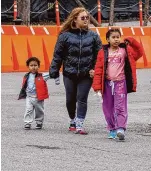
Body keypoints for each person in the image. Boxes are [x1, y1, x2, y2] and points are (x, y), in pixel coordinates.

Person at [49, 7, 102, 135]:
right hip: (69, 73)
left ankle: (80, 124)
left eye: (87, 17)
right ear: (74, 20)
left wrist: (95, 70)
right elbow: (58, 55)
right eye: (82, 18)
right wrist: (54, 71)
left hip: (86, 74)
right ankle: (72, 119)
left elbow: (100, 56)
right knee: (70, 100)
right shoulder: (64, 36)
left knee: (82, 98)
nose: (86, 20)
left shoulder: (94, 36)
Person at [92, 28, 143, 141]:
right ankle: (112, 128)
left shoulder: (125, 51)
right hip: (107, 84)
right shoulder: (103, 52)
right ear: (107, 39)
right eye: (113, 37)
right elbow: (99, 69)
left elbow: (140, 52)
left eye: (117, 37)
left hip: (120, 83)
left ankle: (120, 128)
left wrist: (132, 41)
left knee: (120, 107)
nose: (116, 39)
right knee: (108, 108)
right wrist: (96, 87)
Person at [18, 57, 58, 130]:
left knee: (39, 110)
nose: (33, 67)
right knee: (28, 110)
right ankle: (27, 123)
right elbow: (24, 86)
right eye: (31, 65)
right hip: (29, 97)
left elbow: (52, 74)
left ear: (38, 66)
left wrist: (56, 77)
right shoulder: (26, 76)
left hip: (38, 97)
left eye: (35, 65)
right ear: (28, 67)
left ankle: (39, 122)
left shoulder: (42, 76)